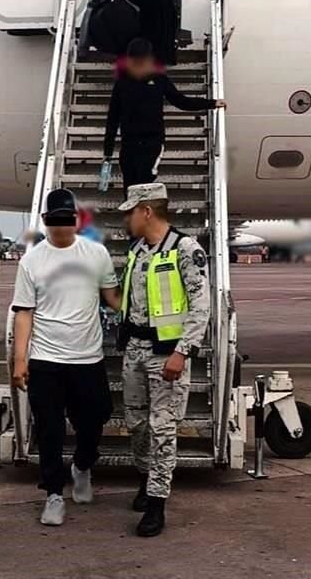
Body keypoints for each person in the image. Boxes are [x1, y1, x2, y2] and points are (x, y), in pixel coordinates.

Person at [11, 188, 121, 527]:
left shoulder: (96, 254)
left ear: (76, 220)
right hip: (46, 359)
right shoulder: (32, 260)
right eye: (54, 221)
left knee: (95, 419)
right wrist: (19, 359)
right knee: (50, 429)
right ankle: (54, 494)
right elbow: (24, 313)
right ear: (45, 222)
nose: (61, 227)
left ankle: (83, 466)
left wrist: (144, 315)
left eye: (66, 220)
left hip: (87, 357)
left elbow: (112, 298)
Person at [116, 182, 210, 537]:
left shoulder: (185, 249)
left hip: (166, 355)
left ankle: (157, 502)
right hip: (136, 351)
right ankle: (145, 478)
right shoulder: (138, 250)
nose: (126, 218)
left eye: (130, 212)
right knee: (137, 424)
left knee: (163, 428)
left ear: (147, 211)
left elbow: (201, 306)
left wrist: (182, 352)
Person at [104, 38, 226, 195]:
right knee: (129, 184)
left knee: (144, 181)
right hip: (129, 142)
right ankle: (133, 216)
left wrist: (212, 103)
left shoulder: (159, 80)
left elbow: (181, 101)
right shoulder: (122, 83)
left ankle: (143, 214)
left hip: (152, 141)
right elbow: (113, 118)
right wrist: (108, 150)